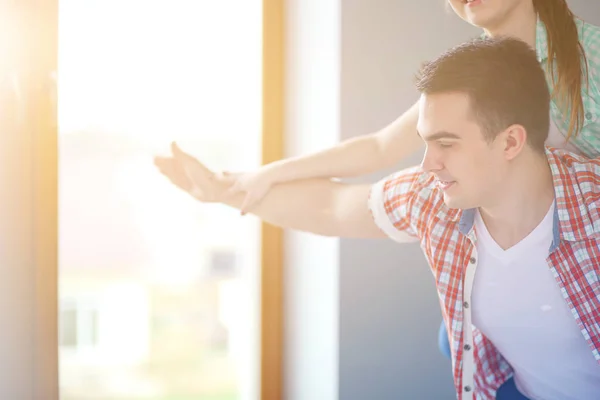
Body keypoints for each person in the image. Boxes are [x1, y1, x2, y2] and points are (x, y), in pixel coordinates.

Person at [155, 37, 600, 400]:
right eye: (426, 142)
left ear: (510, 142)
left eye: (447, 143)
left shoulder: (593, 207)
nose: (429, 163)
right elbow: (331, 207)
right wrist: (221, 190)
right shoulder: (433, 200)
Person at [222, 0, 600, 361]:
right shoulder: (475, 82)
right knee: (458, 340)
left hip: (580, 263)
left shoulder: (590, 55)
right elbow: (378, 148)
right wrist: (270, 173)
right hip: (514, 263)